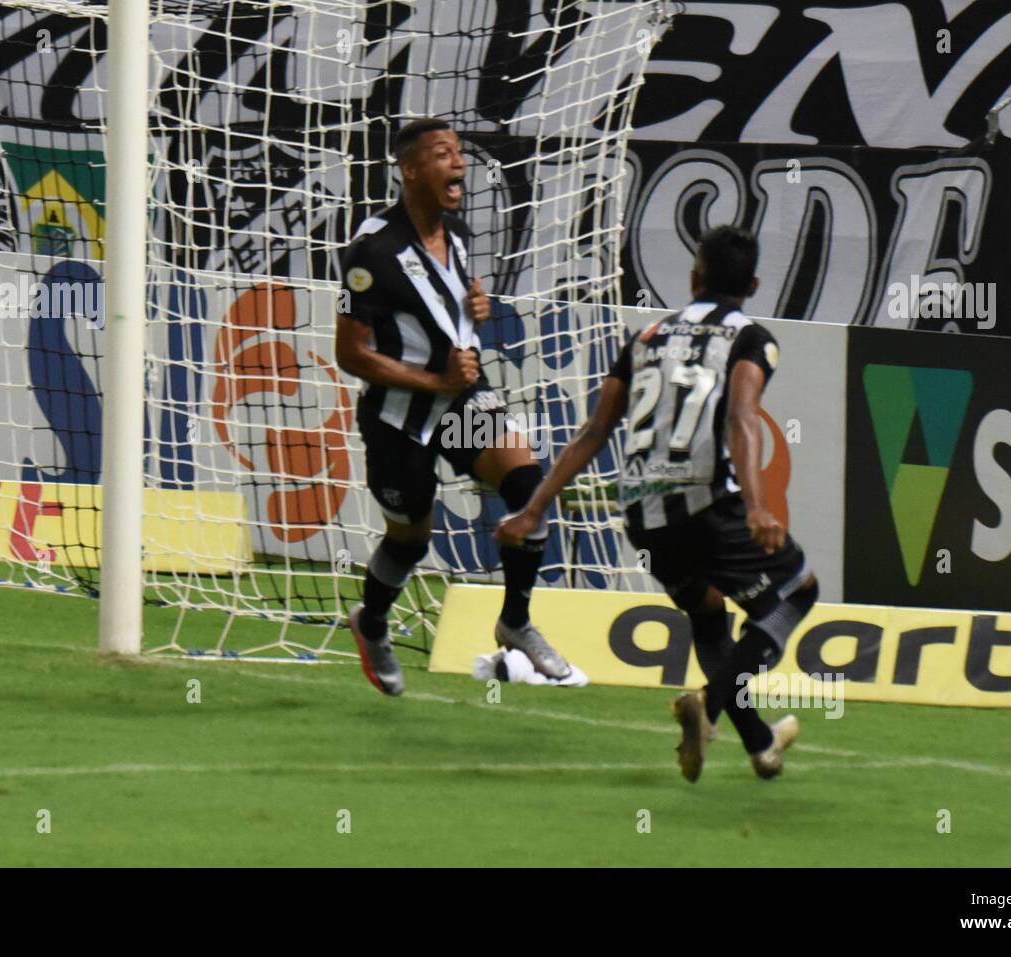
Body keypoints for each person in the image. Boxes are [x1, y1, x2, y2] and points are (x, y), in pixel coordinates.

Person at [496, 225, 819, 780]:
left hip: (643, 515)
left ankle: (761, 747)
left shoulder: (644, 339)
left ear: (694, 278)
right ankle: (710, 704)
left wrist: (534, 508)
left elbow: (595, 432)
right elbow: (743, 417)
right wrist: (758, 508)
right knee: (797, 592)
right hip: (706, 503)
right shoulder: (751, 339)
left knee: (708, 612)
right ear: (755, 284)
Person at [335, 117, 568, 696]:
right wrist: (433, 380)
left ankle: (515, 621)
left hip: (461, 401)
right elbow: (350, 354)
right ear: (410, 169)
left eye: (458, 153)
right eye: (442, 154)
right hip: (398, 418)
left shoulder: (458, 233)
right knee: (410, 540)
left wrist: (475, 306)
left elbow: (445, 306)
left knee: (527, 489)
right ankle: (373, 622)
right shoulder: (372, 251)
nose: (458, 163)